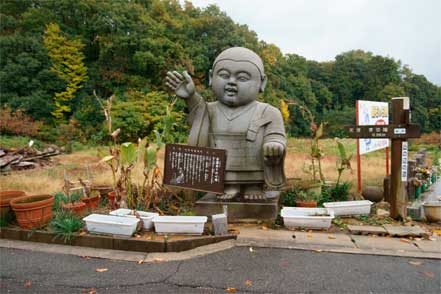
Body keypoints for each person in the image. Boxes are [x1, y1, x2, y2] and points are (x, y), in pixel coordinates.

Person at [166, 47, 286, 201]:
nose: (231, 82)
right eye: (224, 75)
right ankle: (228, 185)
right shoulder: (210, 110)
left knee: (255, 181)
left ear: (262, 82)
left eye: (242, 78)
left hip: (254, 169)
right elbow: (199, 119)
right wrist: (190, 97)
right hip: (220, 170)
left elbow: (275, 135)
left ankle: (253, 186)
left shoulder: (268, 112)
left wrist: (275, 144)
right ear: (211, 77)